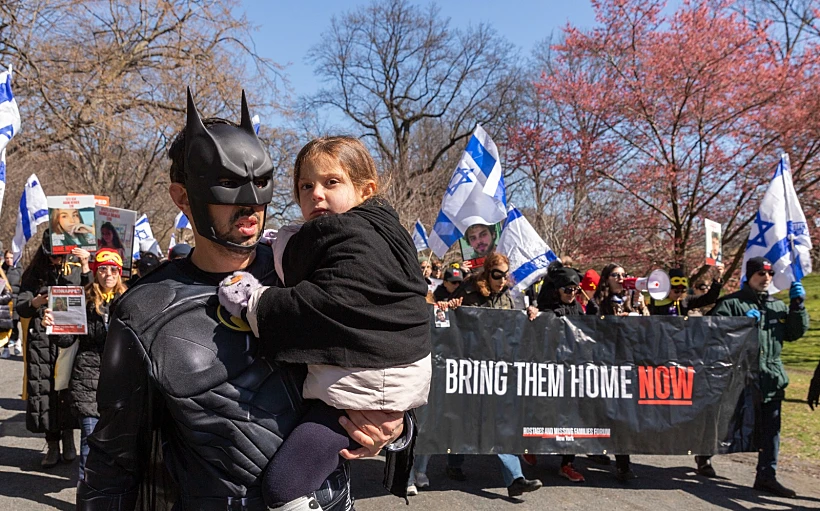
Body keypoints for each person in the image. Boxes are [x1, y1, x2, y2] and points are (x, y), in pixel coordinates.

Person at [77, 90, 408, 511]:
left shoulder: (309, 271)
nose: (251, 203)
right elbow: (112, 462)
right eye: (229, 183)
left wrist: (395, 423)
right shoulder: (143, 310)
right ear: (182, 197)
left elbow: (390, 352)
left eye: (260, 182)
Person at [217, 135, 430, 509]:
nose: (316, 193)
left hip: (356, 396)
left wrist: (253, 300)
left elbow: (331, 306)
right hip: (366, 391)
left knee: (285, 487)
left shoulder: (356, 239)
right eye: (305, 185)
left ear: (366, 191)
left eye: (332, 182)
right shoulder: (374, 236)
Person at [445, 253, 543, 498]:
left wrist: (529, 314)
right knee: (464, 418)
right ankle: (454, 462)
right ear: (487, 273)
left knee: (500, 423)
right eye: (496, 275)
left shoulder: (507, 298)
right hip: (470, 368)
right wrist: (453, 307)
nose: (501, 280)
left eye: (504, 275)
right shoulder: (469, 293)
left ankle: (515, 479)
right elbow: (453, 323)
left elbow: (513, 326)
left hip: (497, 370)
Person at [711, 256, 807, 498]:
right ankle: (704, 458)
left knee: (771, 430)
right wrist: (739, 324)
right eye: (760, 274)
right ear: (749, 276)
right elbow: (711, 333)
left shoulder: (776, 306)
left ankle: (766, 476)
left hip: (770, 378)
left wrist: (798, 306)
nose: (766, 279)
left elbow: (794, 334)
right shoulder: (731, 304)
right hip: (739, 378)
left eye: (769, 274)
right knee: (725, 425)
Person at [42, 249, 127, 480]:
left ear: (119, 273)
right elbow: (66, 340)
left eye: (113, 269)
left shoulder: (129, 301)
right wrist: (53, 325)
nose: (107, 274)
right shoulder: (82, 299)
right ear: (95, 272)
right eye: (102, 269)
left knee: (116, 448)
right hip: (88, 381)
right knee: (89, 445)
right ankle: (86, 499)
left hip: (120, 384)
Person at [18, 230, 90, 468]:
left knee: (66, 390)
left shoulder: (75, 268)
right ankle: (52, 445)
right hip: (41, 339)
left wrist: (85, 263)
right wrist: (35, 302)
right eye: (52, 257)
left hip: (68, 337)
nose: (56, 261)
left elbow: (91, 296)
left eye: (60, 257)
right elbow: (21, 306)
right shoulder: (34, 273)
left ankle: (69, 439)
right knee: (44, 391)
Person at [586, 263, 647, 481]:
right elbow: (593, 331)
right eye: (616, 275)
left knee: (623, 415)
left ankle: (623, 464)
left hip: (627, 362)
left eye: (624, 275)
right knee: (603, 412)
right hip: (605, 363)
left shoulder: (631, 299)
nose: (621, 279)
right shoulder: (596, 303)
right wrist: (616, 321)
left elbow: (647, 324)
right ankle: (595, 448)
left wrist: (639, 305)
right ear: (606, 278)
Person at [528, 262, 586, 483]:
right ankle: (530, 446)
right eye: (568, 290)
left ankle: (567, 463)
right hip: (548, 370)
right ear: (557, 290)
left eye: (576, 290)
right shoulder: (546, 307)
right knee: (543, 413)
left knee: (572, 418)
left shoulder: (578, 308)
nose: (572, 294)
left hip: (572, 372)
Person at [647, 267, 722, 317]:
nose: (679, 294)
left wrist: (717, 282)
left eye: (683, 291)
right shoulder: (655, 300)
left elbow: (709, 299)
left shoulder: (685, 300)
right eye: (676, 291)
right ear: (667, 289)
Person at [1, 249, 23, 358]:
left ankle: (16, 341)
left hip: (15, 301)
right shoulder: (2, 270)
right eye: (7, 258)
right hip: (4, 302)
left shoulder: (19, 269)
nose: (9, 260)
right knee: (4, 326)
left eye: (11, 257)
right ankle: (5, 348)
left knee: (14, 324)